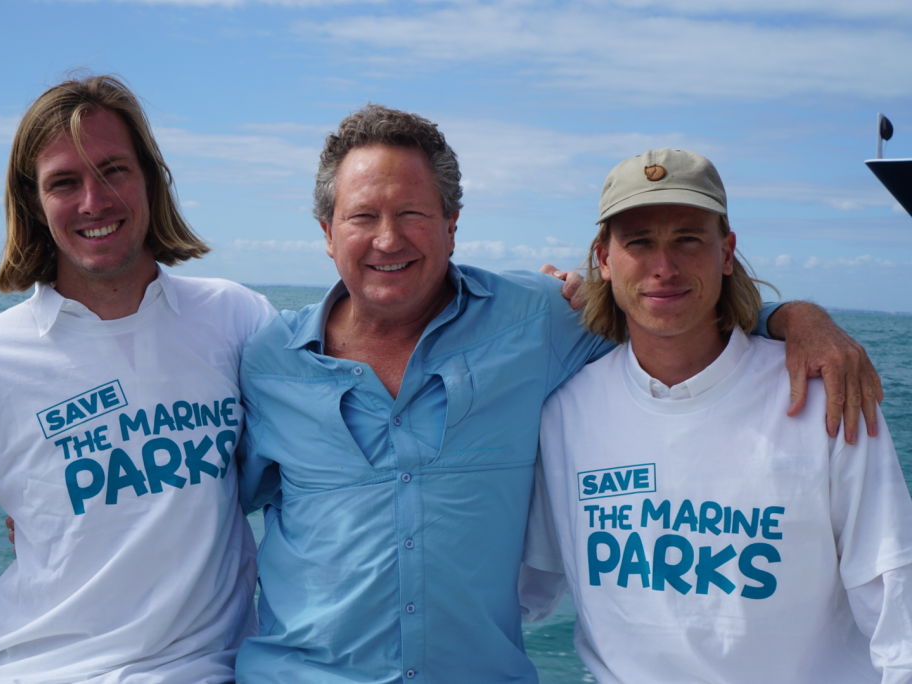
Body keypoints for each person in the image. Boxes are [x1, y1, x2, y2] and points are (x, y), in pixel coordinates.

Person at [236, 106, 883, 683]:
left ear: (452, 224)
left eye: (412, 213)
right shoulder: (265, 363)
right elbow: (202, 522)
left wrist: (796, 319)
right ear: (326, 231)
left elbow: (669, 311)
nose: (388, 238)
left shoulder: (537, 320)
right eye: (361, 217)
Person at [0, 75, 273, 682]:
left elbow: (317, 474)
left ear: (151, 177)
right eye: (64, 182)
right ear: (34, 203)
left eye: (114, 169)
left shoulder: (238, 319)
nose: (94, 201)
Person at [523, 148, 912, 682]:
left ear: (726, 252)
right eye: (639, 242)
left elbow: (894, 597)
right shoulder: (565, 410)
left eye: (688, 238)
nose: (664, 267)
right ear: (605, 259)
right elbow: (524, 590)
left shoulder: (823, 394)